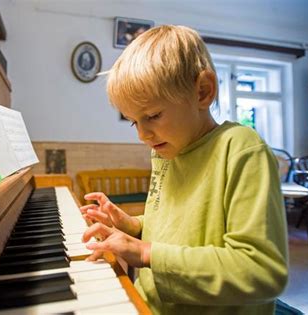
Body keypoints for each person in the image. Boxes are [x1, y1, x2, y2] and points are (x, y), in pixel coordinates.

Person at [80, 25, 288, 314]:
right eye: (133, 121)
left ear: (203, 91)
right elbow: (177, 227)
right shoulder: (165, 151)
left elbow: (262, 271)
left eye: (152, 115)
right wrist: (135, 227)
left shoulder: (241, 150)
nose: (143, 135)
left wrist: (145, 252)